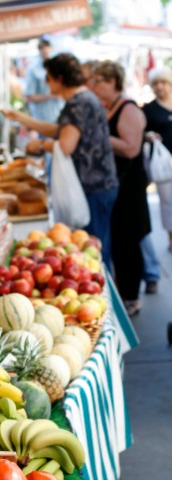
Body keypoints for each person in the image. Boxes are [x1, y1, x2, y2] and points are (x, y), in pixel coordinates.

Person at [2, 53, 119, 268]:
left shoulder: (77, 103)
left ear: (59, 78)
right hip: (100, 183)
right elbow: (61, 130)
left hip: (93, 187)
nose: (46, 83)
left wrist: (37, 146)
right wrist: (22, 118)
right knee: (97, 246)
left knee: (93, 250)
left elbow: (65, 144)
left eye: (48, 77)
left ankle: (109, 297)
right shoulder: (83, 99)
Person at [92, 60, 151, 316]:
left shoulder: (128, 109)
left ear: (111, 82)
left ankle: (131, 296)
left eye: (98, 82)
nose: (94, 87)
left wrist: (97, 135)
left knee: (129, 240)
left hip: (130, 186)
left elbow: (130, 148)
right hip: (117, 183)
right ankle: (123, 289)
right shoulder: (112, 107)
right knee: (119, 239)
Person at [142, 67, 172, 253]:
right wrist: (148, 135)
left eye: (163, 82)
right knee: (167, 201)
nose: (160, 87)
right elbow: (141, 130)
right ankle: (171, 237)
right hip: (163, 164)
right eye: (156, 84)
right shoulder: (149, 109)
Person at [24, 36, 64, 123]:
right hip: (44, 118)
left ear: (51, 47)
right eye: (41, 47)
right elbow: (29, 97)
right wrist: (51, 95)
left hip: (61, 115)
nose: (44, 49)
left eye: (46, 46)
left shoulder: (59, 66)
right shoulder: (33, 69)